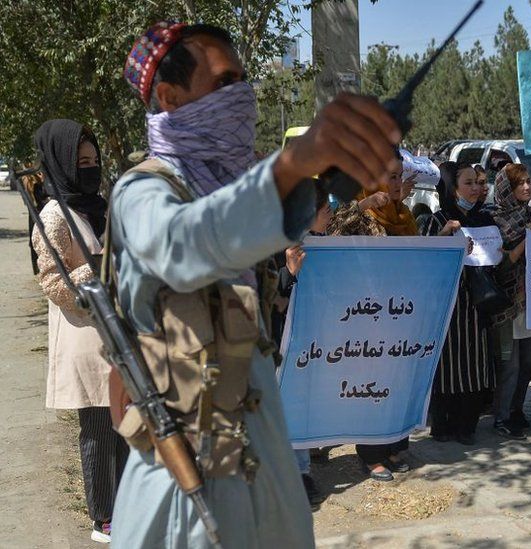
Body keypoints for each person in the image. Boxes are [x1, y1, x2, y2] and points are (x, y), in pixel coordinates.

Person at [109, 21, 399, 547]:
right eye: (224, 82)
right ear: (170, 97)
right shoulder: (141, 192)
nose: (242, 96)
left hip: (261, 460)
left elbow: (257, 223)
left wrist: (330, 173)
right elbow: (185, 245)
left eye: (244, 80)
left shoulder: (234, 187)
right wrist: (291, 164)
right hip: (186, 478)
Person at [31, 119, 129, 544]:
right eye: (80, 162)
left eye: (94, 161)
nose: (89, 168)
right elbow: (52, 280)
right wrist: (98, 267)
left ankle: (129, 503)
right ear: (62, 165)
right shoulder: (54, 215)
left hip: (118, 331)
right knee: (97, 430)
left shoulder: (101, 206)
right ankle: (103, 516)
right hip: (85, 334)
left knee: (126, 423)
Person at [349, 149, 416, 479]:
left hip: (401, 312)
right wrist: (364, 206)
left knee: (398, 378)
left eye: (400, 176)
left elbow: (417, 254)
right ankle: (371, 452)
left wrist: (447, 240)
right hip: (368, 314)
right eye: (391, 176)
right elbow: (329, 232)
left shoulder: (402, 213)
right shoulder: (359, 213)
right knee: (372, 381)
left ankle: (395, 443)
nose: (397, 183)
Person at [422, 161, 494, 445]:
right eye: (468, 183)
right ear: (452, 189)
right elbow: (424, 261)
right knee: (448, 367)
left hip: (477, 307)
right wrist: (444, 240)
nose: (475, 188)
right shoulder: (437, 221)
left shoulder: (485, 220)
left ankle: (468, 425)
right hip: (447, 307)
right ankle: (443, 424)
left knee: (474, 366)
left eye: (477, 182)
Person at [274, 182, 333, 507]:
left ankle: (303, 470)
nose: (330, 214)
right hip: (283, 342)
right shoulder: (278, 244)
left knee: (303, 402)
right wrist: (289, 272)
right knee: (287, 405)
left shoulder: (324, 243)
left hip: (315, 339)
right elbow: (273, 297)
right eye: (325, 209)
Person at [488, 163, 531, 438]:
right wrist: (526, 240)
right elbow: (500, 266)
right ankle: (500, 417)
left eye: (529, 181)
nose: (527, 187)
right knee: (509, 365)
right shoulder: (495, 222)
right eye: (520, 183)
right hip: (508, 305)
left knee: (526, 362)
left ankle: (516, 410)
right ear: (506, 189)